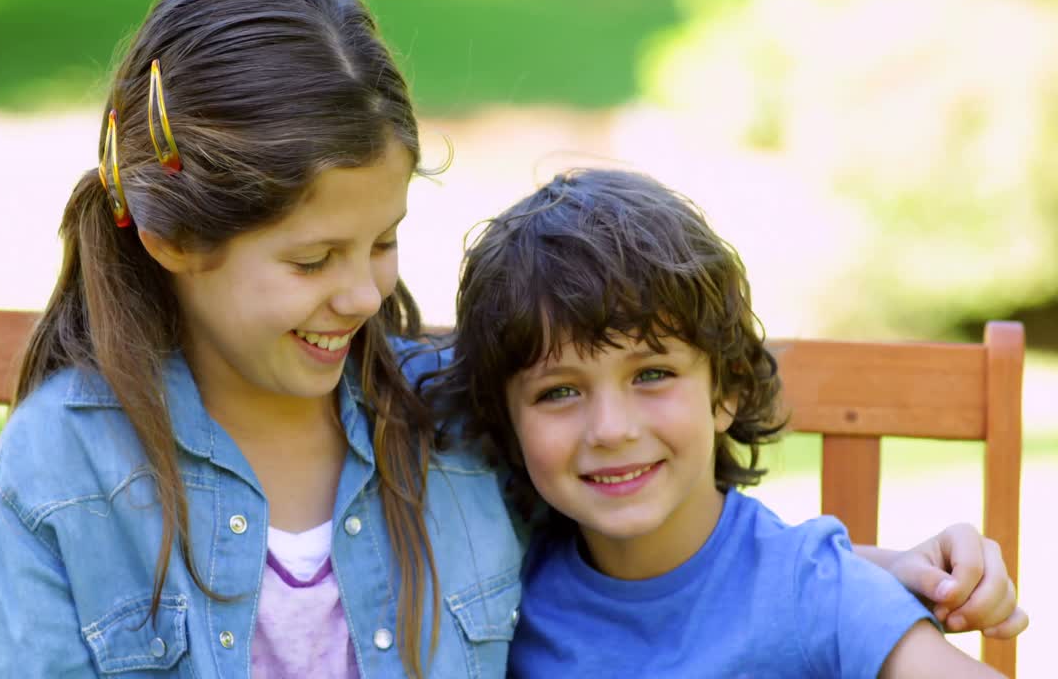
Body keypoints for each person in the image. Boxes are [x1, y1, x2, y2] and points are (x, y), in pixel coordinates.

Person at [0, 0, 1023, 678]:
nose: (363, 294)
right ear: (171, 240)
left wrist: (859, 576)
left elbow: (651, 534)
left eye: (381, 242)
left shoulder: (453, 424)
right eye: (311, 260)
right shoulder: (58, 480)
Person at [427, 168, 1023, 678]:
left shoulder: (817, 587)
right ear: (504, 421)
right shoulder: (496, 591)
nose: (610, 428)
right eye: (559, 391)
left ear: (728, 389)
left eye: (653, 374)